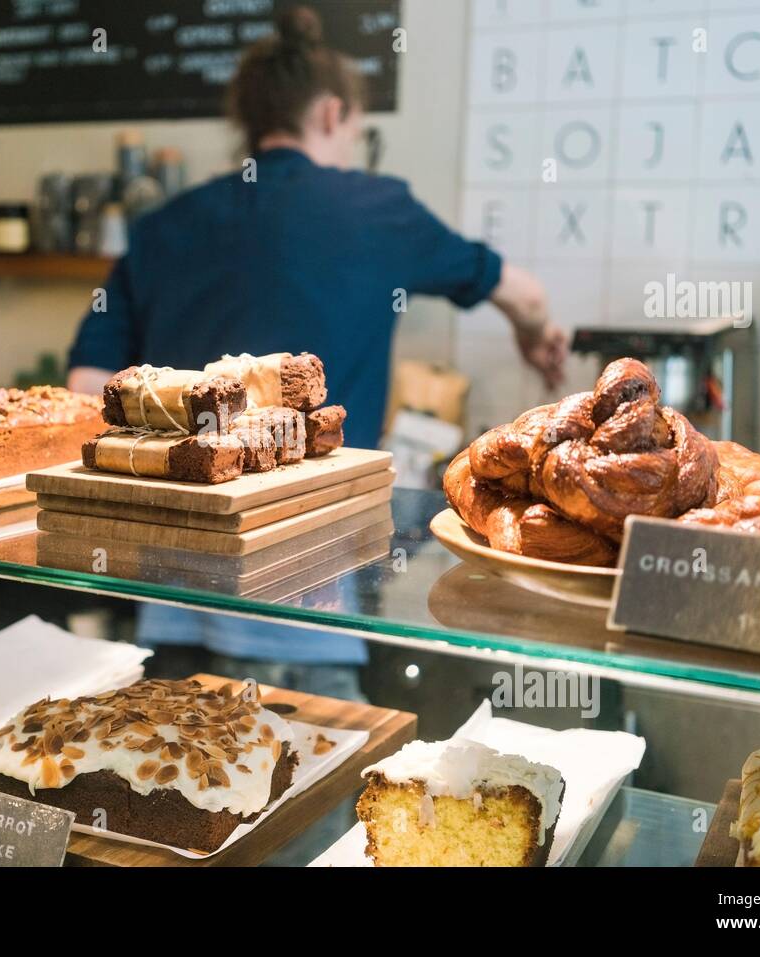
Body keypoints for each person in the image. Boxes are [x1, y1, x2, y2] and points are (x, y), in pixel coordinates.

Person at [66, 7, 567, 700]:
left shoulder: (163, 227)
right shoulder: (377, 210)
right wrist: (535, 332)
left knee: (169, 774)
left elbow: (87, 387)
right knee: (305, 781)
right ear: (333, 114)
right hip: (307, 598)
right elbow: (524, 293)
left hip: (165, 592)